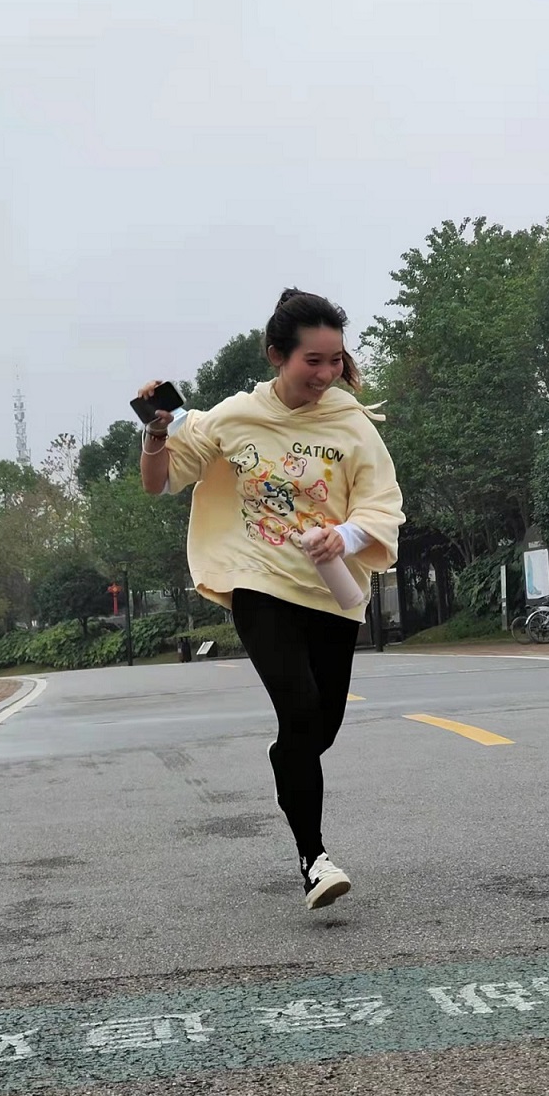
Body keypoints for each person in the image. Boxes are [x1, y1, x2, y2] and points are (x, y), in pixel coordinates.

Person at [139, 288, 404, 910]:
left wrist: (345, 536)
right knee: (301, 708)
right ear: (277, 356)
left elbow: (382, 505)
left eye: (335, 360)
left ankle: (288, 756)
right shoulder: (233, 416)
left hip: (331, 591)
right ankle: (315, 859)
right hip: (259, 583)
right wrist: (155, 434)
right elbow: (162, 481)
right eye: (313, 360)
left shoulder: (351, 423)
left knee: (318, 729)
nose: (326, 373)